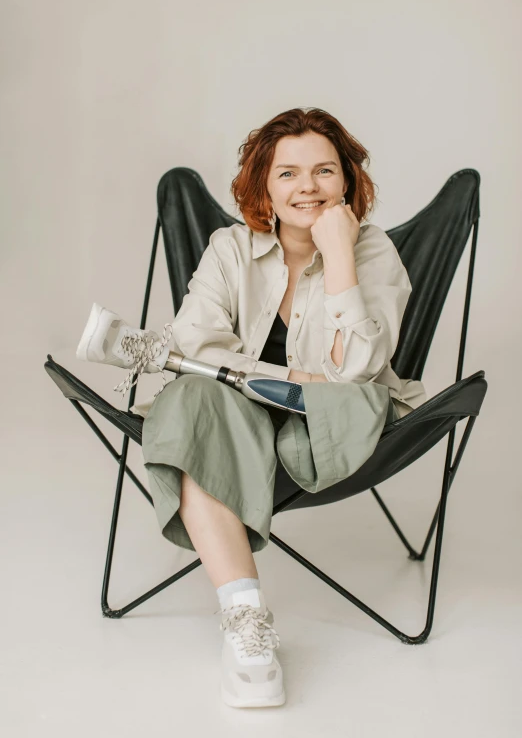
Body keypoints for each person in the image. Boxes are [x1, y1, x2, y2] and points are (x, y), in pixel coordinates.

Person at [76, 107, 426, 709]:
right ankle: (248, 624)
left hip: (333, 425)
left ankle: (244, 623)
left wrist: (338, 254)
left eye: (324, 171)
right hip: (231, 412)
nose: (308, 187)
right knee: (194, 401)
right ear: (264, 183)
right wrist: (294, 374)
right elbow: (193, 343)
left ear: (347, 182)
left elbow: (357, 372)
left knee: (198, 402)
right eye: (288, 174)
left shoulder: (374, 255)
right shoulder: (230, 248)